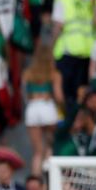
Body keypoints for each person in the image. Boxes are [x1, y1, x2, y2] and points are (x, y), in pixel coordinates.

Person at [23, 44, 64, 175]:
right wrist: (64, 109)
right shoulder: (54, 74)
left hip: (32, 108)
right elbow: (58, 96)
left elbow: (24, 95)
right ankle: (49, 179)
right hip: (48, 108)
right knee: (49, 146)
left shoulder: (28, 73)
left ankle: (36, 178)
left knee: (37, 152)